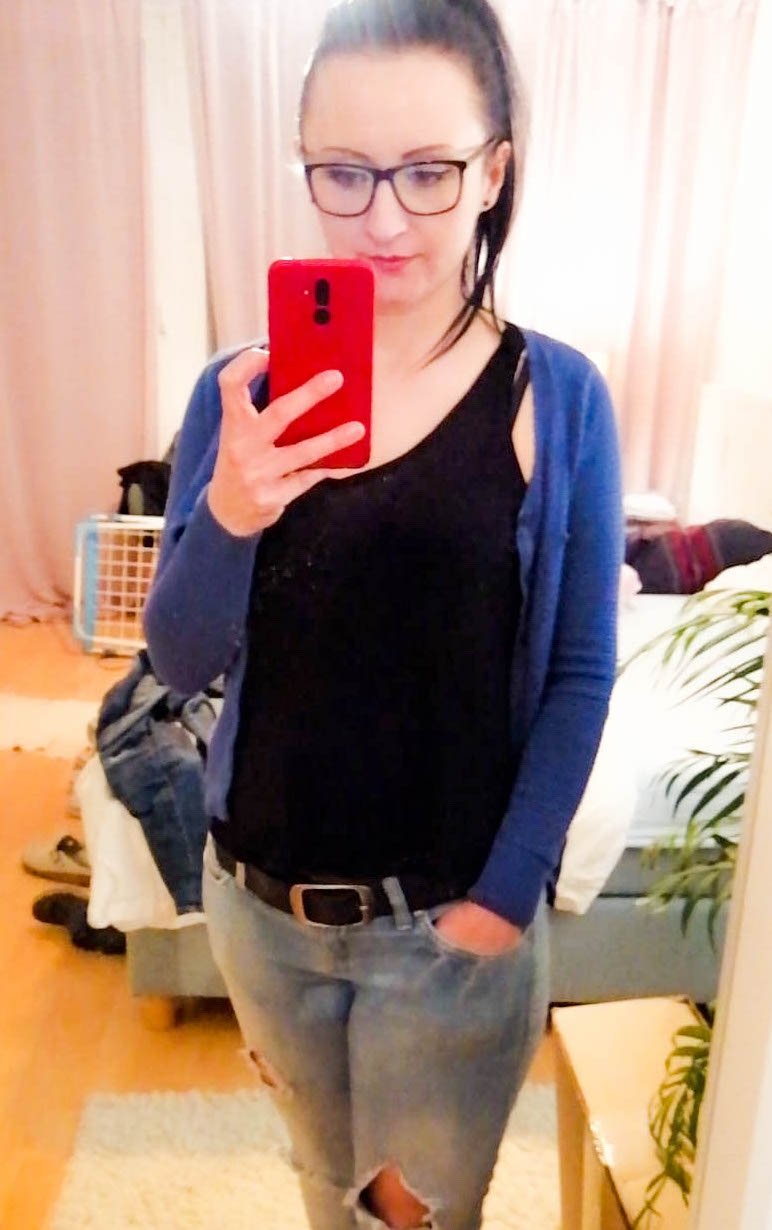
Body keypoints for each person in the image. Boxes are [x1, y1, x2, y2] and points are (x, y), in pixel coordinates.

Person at [143, 1, 623, 1226]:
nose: (384, 219)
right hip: (260, 912)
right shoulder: (239, 393)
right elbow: (180, 660)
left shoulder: (556, 397)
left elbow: (578, 671)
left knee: (416, 1216)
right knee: (324, 1190)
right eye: (344, 173)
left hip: (445, 927)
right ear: (305, 164)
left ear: (492, 171)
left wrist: (503, 899)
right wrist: (233, 510)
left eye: (427, 171)